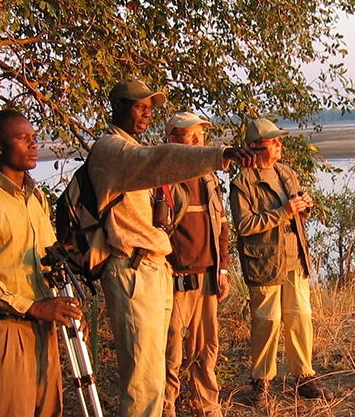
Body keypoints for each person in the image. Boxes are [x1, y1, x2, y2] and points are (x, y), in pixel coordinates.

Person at [89, 79, 256, 417]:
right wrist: (219, 154)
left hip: (155, 267)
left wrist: (220, 266)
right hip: (133, 268)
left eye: (150, 106)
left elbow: (217, 225)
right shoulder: (113, 149)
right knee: (144, 378)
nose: (147, 111)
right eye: (139, 105)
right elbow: (156, 160)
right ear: (118, 106)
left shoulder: (131, 149)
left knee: (156, 372)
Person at [0, 109, 84, 416]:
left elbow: (50, 264)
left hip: (43, 325)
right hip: (3, 329)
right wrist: (31, 306)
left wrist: (67, 308)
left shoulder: (37, 199)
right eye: (23, 139)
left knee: (49, 409)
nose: (33, 145)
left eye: (34, 138)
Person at [229, 118, 327, 406]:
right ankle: (261, 382)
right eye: (274, 142)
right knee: (266, 322)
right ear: (256, 147)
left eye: (278, 140)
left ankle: (304, 376)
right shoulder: (242, 182)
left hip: (294, 257)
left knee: (300, 317)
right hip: (264, 261)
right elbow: (244, 225)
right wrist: (284, 212)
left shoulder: (285, 172)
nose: (279, 145)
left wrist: (303, 207)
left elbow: (295, 213)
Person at [160, 112, 231, 417]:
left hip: (209, 277)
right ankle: (166, 407)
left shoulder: (209, 176)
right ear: (171, 140)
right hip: (174, 280)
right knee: (172, 350)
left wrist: (224, 269)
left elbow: (223, 227)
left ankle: (207, 406)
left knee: (206, 349)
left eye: (199, 135)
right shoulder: (161, 178)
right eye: (187, 135)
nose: (194, 141)